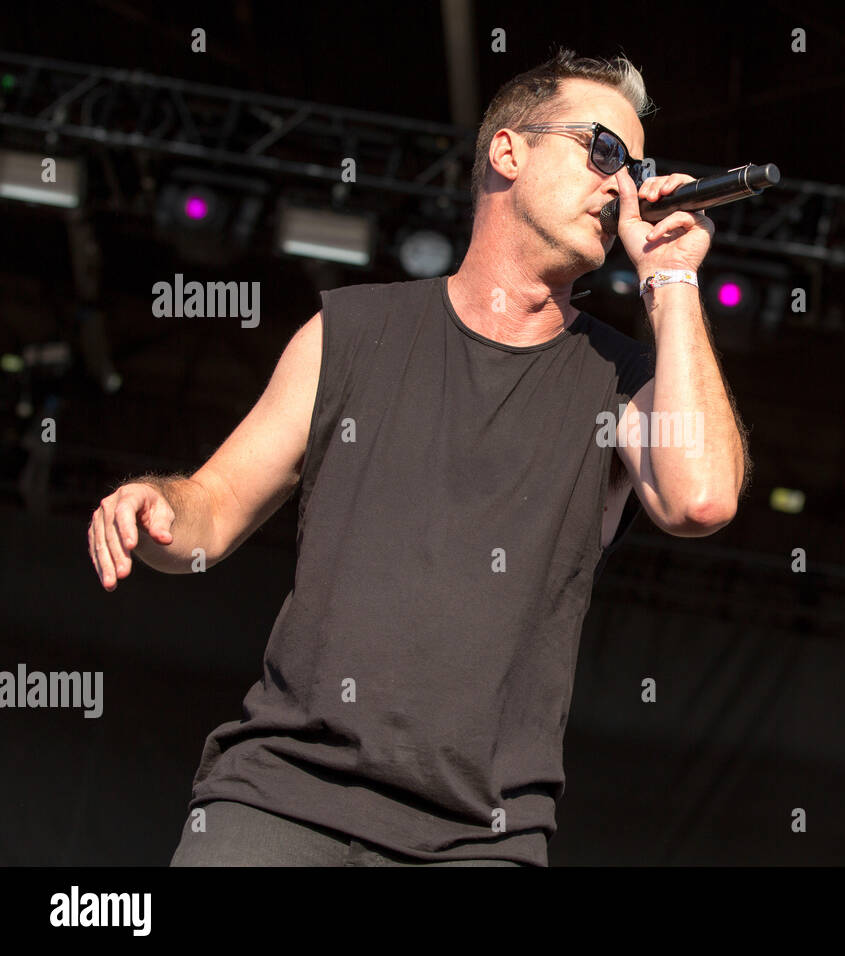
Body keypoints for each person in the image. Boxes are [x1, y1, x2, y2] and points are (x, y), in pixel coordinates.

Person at [86, 47, 749, 866]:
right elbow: (212, 510)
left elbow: (702, 500)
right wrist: (156, 504)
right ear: (509, 150)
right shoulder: (351, 333)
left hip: (483, 835)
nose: (622, 186)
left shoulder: (625, 384)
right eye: (602, 151)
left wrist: (674, 281)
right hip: (281, 800)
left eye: (635, 167)